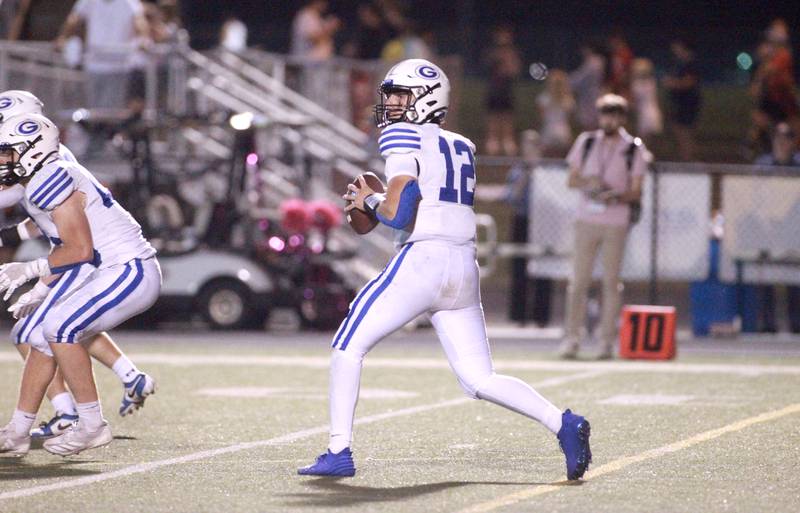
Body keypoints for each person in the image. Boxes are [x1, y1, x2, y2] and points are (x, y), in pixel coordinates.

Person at [297, 59, 591, 481]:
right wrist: (379, 202)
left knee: (347, 344)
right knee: (479, 378)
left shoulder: (401, 136)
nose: (392, 104)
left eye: (400, 95)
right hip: (463, 267)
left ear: (424, 98)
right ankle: (562, 423)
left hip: (425, 260)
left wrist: (371, 201)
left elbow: (398, 214)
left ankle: (338, 449)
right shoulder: (461, 145)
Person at [0, 90, 158, 441]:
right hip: (91, 262)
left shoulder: (48, 172)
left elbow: (76, 246)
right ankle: (22, 428)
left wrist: (31, 271)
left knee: (56, 330)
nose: (3, 155)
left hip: (114, 264)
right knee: (38, 334)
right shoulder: (46, 165)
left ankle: (82, 422)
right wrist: (41, 284)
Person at [560, 94, 648, 360]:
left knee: (610, 282)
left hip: (615, 222)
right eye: (605, 113)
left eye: (615, 114)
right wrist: (591, 183)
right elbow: (571, 180)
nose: (609, 119)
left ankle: (606, 341)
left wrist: (614, 196)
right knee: (578, 282)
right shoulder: (586, 142)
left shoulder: (633, 148)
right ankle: (572, 338)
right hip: (587, 219)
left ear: (622, 118)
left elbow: (636, 191)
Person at [56, 0, 149, 110]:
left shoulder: (129, 2)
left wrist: (143, 39)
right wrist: (63, 37)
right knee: (92, 109)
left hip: (118, 67)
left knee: (110, 110)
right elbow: (74, 19)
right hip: (93, 65)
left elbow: (139, 22)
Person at [754, 122, 800, 333]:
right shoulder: (763, 165)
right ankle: (768, 323)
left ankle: (796, 323)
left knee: (794, 280)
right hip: (769, 231)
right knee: (766, 278)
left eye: (787, 138)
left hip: (794, 230)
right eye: (778, 138)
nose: (782, 143)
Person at [504, 130, 553, 325]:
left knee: (544, 268)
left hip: (544, 223)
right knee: (519, 268)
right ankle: (519, 316)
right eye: (527, 145)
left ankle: (541, 317)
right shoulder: (517, 171)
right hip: (523, 220)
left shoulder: (548, 171)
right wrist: (527, 174)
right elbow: (511, 198)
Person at [483, 25, 521, 156]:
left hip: (507, 90)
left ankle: (507, 143)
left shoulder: (512, 53)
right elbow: (487, 66)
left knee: (507, 118)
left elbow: (514, 70)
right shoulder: (492, 52)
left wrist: (508, 62)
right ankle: (492, 143)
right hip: (494, 89)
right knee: (493, 118)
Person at [663, 38, 701, 161]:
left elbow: (690, 82)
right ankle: (686, 157)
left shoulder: (690, 62)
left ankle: (688, 160)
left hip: (687, 102)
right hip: (680, 102)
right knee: (679, 131)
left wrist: (672, 83)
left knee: (685, 132)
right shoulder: (680, 63)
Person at [536, 69, 575, 156]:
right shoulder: (568, 100)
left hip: (548, 130)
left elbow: (541, 118)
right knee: (561, 159)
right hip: (563, 132)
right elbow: (569, 119)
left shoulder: (543, 98)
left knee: (547, 158)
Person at [570, 43, 606, 131]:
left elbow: (581, 77)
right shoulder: (597, 61)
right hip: (592, 94)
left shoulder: (593, 62)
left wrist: (567, 82)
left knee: (590, 124)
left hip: (590, 96)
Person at [630, 58, 663, 145]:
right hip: (652, 110)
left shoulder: (637, 84)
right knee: (648, 141)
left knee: (643, 141)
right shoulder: (651, 82)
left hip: (645, 112)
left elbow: (635, 100)